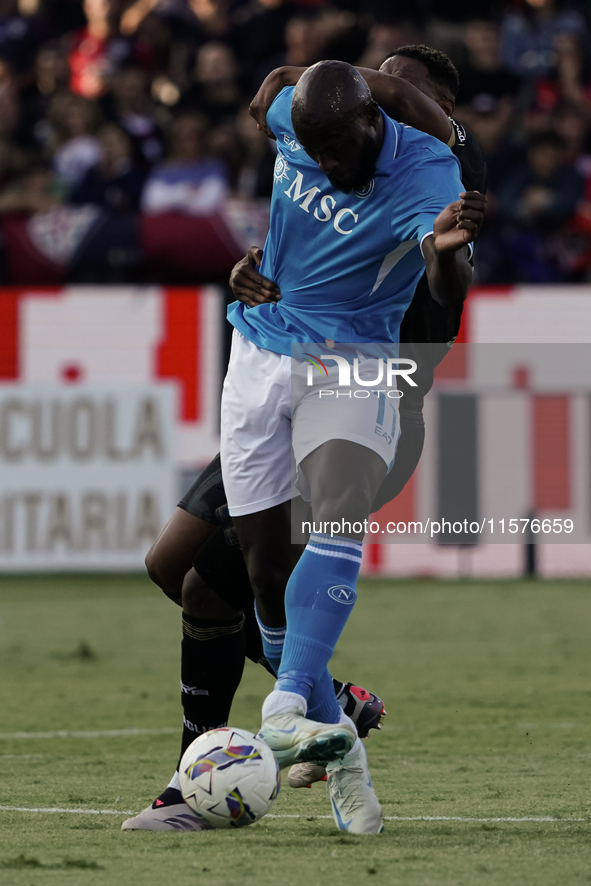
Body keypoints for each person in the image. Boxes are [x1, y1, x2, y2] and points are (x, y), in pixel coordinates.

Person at [122, 47, 487, 834]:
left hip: (368, 390)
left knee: (213, 585)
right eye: (380, 84)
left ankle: (211, 772)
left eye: (403, 93)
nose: (395, 102)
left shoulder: (439, 177)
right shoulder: (316, 131)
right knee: (179, 569)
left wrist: (439, 257)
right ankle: (330, 707)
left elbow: (436, 299)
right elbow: (286, 132)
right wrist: (253, 271)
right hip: (272, 361)